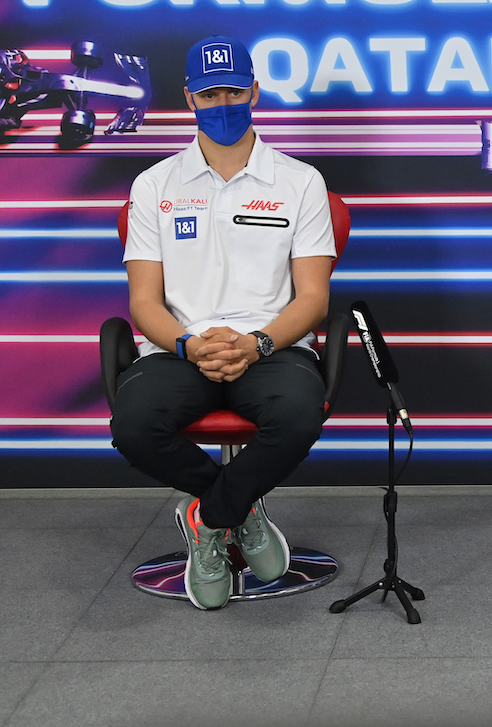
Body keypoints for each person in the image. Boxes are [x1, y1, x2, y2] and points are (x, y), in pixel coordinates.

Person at [110, 35, 336, 610]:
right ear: (189, 98)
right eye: (210, 93)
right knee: (133, 426)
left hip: (271, 345)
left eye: (234, 90)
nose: (224, 103)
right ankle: (237, 506)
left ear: (255, 91)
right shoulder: (154, 185)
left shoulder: (300, 181)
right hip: (181, 349)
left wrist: (256, 343)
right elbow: (144, 302)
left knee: (299, 414)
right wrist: (189, 345)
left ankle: (209, 516)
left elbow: (312, 298)